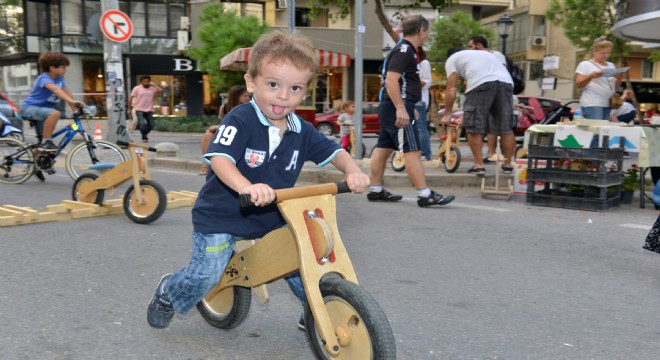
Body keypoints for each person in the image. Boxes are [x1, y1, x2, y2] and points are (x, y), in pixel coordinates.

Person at [146, 30, 371, 330]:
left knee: (301, 259)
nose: (283, 95)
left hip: (273, 214)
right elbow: (220, 159)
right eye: (273, 84)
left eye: (295, 88)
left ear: (304, 92)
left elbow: (333, 153)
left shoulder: (301, 129)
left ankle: (318, 311)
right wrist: (246, 186)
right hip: (222, 215)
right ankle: (168, 291)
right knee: (207, 274)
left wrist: (352, 171)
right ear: (252, 83)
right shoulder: (240, 119)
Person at [368, 14, 455, 207]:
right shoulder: (405, 50)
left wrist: (408, 107)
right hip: (396, 107)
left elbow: (401, 82)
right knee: (413, 149)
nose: (428, 34)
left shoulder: (404, 49)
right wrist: (401, 108)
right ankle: (424, 194)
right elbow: (391, 80)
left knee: (383, 148)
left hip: (394, 106)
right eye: (427, 31)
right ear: (420, 31)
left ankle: (375, 190)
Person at [442, 47, 516, 175]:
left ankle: (479, 165)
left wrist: (447, 113)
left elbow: (452, 89)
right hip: (506, 82)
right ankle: (508, 164)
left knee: (473, 126)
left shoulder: (451, 60)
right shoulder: (481, 55)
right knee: (506, 128)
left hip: (481, 83)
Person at [20, 51, 81, 151]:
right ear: (52, 68)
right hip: (29, 108)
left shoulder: (60, 79)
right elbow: (56, 90)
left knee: (44, 145)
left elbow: (68, 93)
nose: (65, 69)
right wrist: (72, 101)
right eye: (63, 67)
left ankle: (38, 164)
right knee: (55, 114)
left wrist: (75, 110)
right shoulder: (43, 78)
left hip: (44, 111)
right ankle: (46, 142)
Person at [468, 35, 509, 165]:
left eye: (471, 46)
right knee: (486, 126)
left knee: (499, 126)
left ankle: (502, 159)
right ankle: (490, 154)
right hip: (485, 92)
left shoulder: (496, 55)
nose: (469, 50)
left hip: (498, 92)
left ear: (479, 45)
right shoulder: (478, 58)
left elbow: (501, 73)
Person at [198, 85, 250, 175]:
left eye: (249, 96)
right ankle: (205, 166)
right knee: (208, 135)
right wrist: (218, 127)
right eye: (245, 96)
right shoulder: (225, 107)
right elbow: (224, 123)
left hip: (245, 132)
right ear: (236, 97)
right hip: (230, 132)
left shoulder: (250, 108)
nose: (248, 98)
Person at [575, 36, 624, 120]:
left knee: (602, 131)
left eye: (608, 53)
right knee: (596, 130)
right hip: (592, 103)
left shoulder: (611, 65)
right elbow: (578, 84)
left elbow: (615, 87)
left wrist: (619, 77)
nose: (606, 55)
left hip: (608, 103)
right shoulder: (585, 64)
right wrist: (590, 76)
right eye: (603, 53)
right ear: (595, 51)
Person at [127, 75, 162, 143]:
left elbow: (160, 90)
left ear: (149, 81)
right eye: (144, 81)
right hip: (139, 108)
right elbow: (130, 98)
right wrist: (128, 109)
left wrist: (154, 84)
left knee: (151, 125)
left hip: (149, 109)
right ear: (141, 82)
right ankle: (144, 136)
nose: (146, 83)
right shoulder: (137, 88)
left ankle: (144, 134)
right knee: (142, 123)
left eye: (147, 81)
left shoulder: (152, 88)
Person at [416, 47, 432, 161]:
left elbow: (426, 82)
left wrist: (412, 78)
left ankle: (425, 153)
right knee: (413, 128)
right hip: (412, 100)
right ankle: (417, 152)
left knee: (421, 127)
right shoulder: (410, 63)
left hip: (419, 100)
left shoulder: (424, 63)